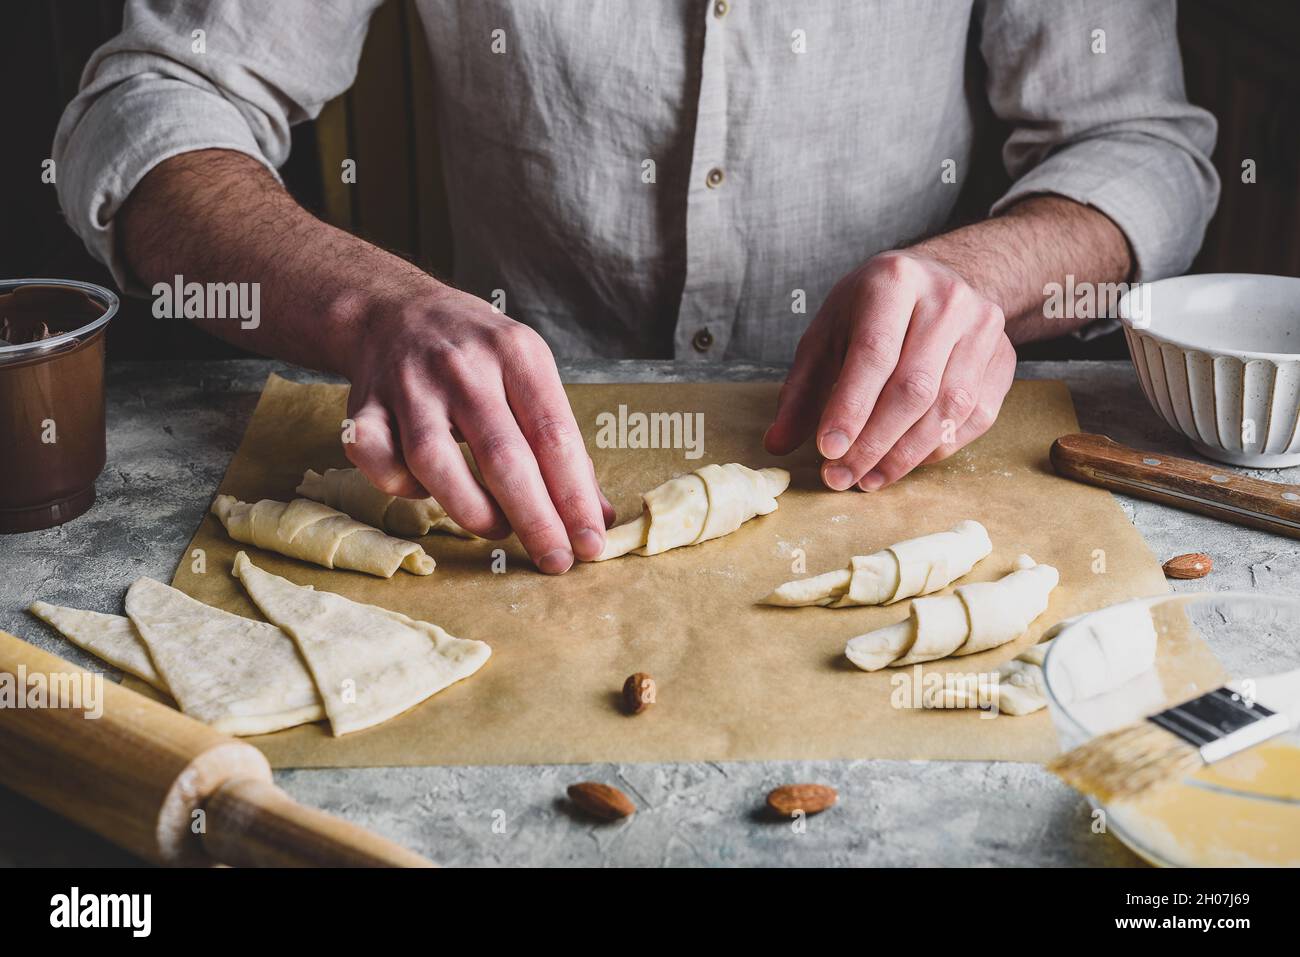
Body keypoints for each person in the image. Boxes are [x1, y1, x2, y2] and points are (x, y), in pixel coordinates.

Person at [54, 0, 1218, 573]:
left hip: (905, 470)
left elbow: (1142, 144)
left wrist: (988, 271)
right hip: (482, 474)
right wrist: (368, 307)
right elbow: (151, 101)